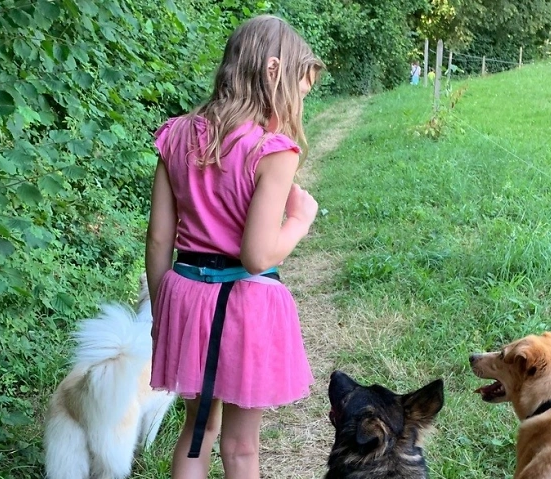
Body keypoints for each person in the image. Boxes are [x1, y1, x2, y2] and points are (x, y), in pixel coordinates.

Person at [145, 14, 324, 479]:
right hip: (244, 305)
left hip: (186, 296)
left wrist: (163, 310)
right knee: (241, 448)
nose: (299, 104)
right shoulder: (273, 150)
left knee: (197, 429)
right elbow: (257, 256)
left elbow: (160, 238)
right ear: (272, 71)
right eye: (300, 91)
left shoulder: (176, 134)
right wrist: (300, 220)